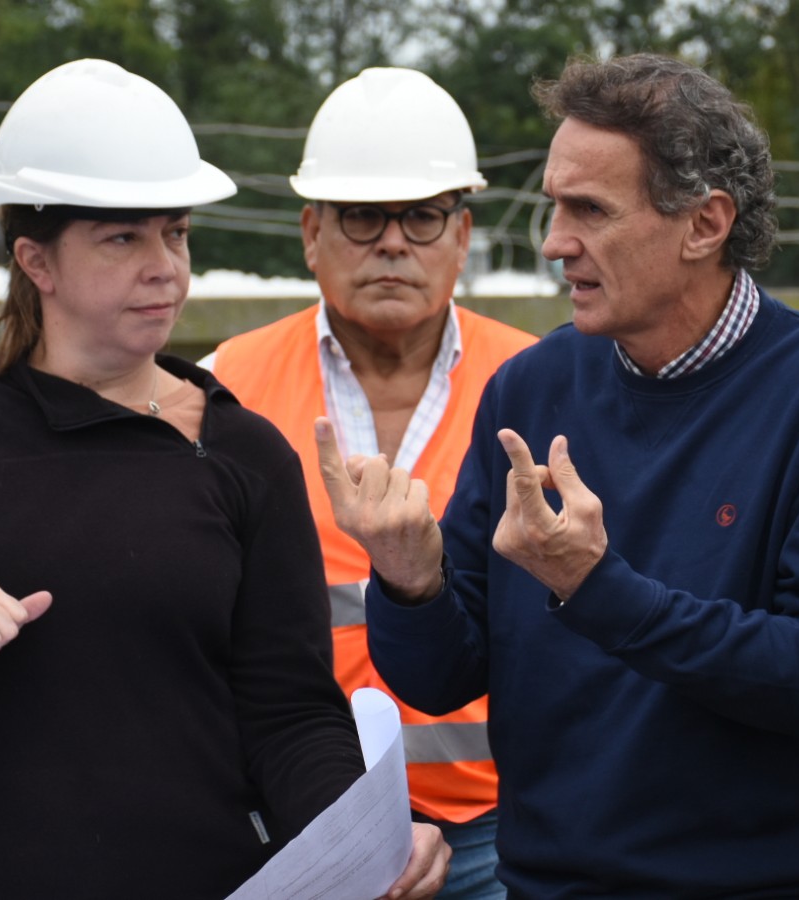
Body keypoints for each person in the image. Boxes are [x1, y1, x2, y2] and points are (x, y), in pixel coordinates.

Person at [0, 58, 446, 900]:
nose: (165, 265)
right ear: (35, 260)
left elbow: (292, 716)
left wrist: (367, 835)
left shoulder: (245, 454)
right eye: (124, 237)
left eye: (177, 232)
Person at [316, 54, 799, 897]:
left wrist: (598, 587)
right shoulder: (531, 387)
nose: (555, 241)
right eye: (555, 205)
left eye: (589, 210)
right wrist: (409, 581)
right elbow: (441, 678)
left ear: (705, 224)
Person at [204, 67, 534, 899]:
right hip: (297, 821)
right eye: (361, 216)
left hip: (506, 824)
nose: (393, 242)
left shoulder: (540, 385)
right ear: (311, 232)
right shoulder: (221, 388)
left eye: (422, 217)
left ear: (462, 236)